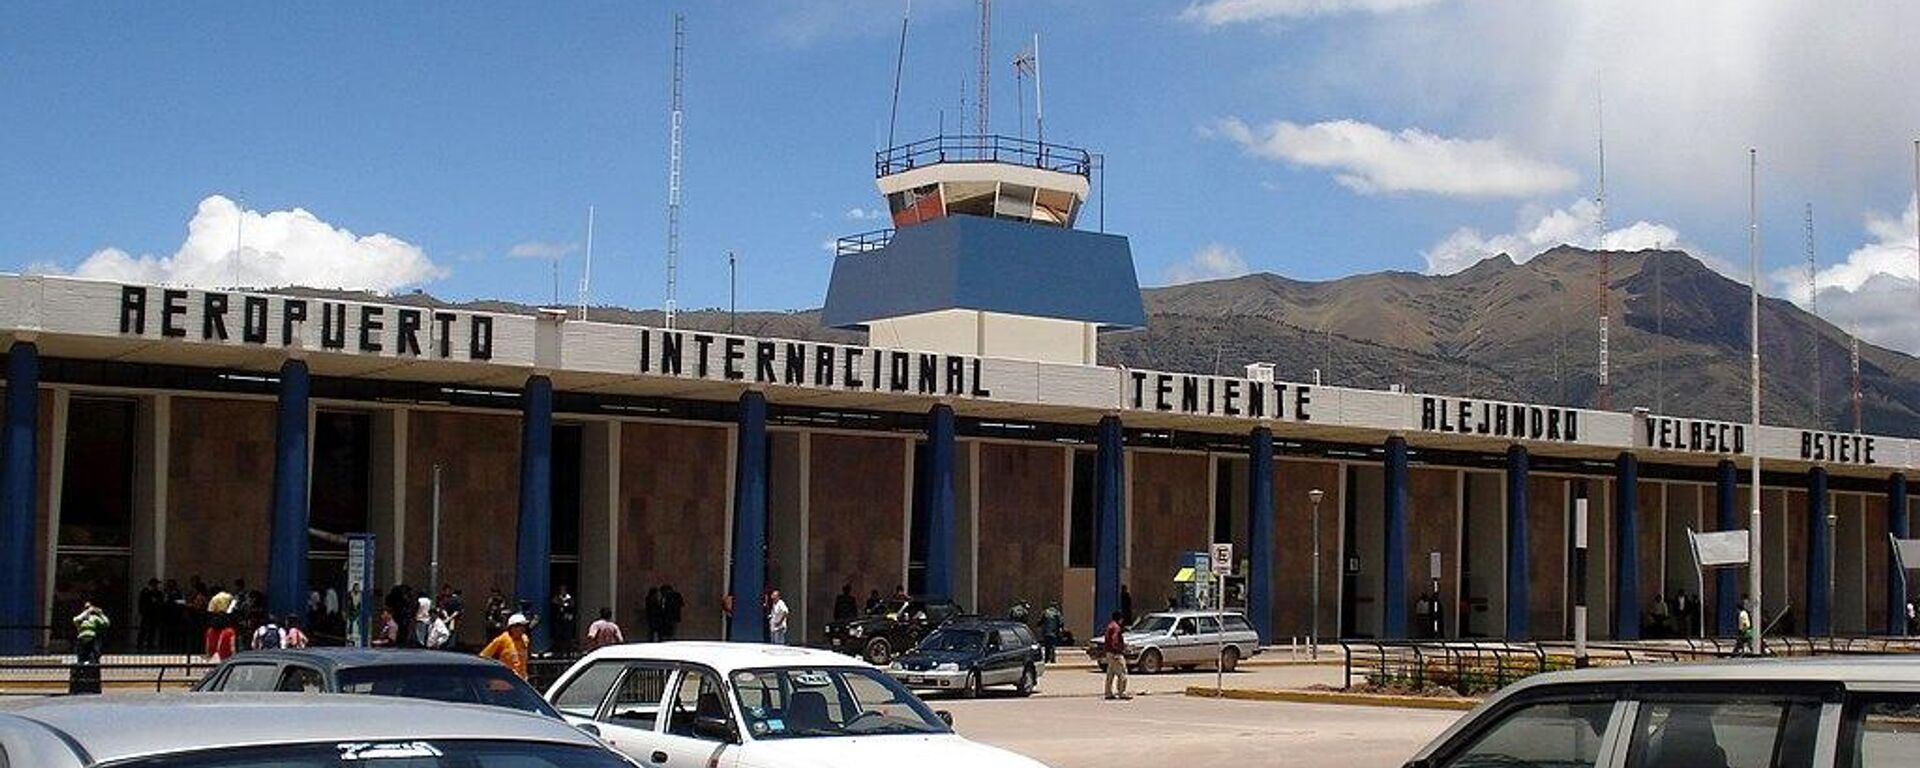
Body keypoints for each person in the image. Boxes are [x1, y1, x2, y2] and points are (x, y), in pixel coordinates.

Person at [480, 613, 532, 680]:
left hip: (522, 679)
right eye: (519, 625)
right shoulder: (503, 639)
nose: (522, 628)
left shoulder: (525, 639)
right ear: (511, 627)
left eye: (523, 625)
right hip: (506, 679)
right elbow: (484, 656)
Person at [1102, 611, 1130, 701]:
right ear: (1120, 619)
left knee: (1110, 674)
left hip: (1109, 653)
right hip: (1115, 654)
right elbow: (1114, 640)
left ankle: (1108, 693)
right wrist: (1118, 650)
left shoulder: (1110, 625)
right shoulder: (1116, 627)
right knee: (1123, 673)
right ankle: (1122, 692)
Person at [137, 578, 165, 651]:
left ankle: (150, 643)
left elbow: (160, 602)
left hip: (154, 614)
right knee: (143, 629)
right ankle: (140, 643)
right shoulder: (145, 592)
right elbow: (141, 603)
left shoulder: (158, 593)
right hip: (146, 614)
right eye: (155, 584)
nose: (156, 586)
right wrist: (142, 611)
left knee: (152, 630)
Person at [551, 585, 577, 654]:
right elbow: (554, 604)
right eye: (561, 590)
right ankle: (558, 652)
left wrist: (564, 605)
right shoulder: (557, 598)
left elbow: (572, 606)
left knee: (567, 637)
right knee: (558, 637)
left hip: (567, 622)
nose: (563, 591)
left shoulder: (570, 599)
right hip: (558, 621)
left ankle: (568, 652)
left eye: (564, 590)